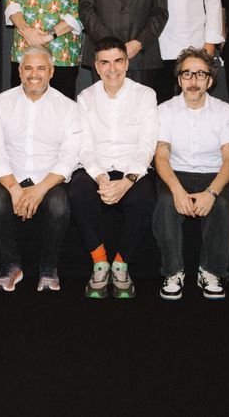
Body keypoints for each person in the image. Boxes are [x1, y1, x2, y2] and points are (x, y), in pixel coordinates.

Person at [0, 45, 80, 293]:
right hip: (11, 177)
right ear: (19, 71)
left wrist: (39, 190)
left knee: (59, 206)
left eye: (40, 68)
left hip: (48, 179)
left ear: (51, 72)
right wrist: (15, 189)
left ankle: (48, 267)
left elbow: (70, 155)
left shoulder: (68, 107)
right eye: (28, 68)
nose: (33, 74)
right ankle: (11, 264)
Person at [70, 37, 158, 299]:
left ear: (127, 63)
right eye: (104, 63)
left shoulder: (145, 95)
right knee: (78, 190)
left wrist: (128, 181)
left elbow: (147, 145)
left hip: (133, 169)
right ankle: (100, 263)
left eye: (118, 61)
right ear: (96, 67)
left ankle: (121, 264)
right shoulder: (85, 97)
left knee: (144, 197)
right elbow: (84, 146)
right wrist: (100, 178)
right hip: (98, 169)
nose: (112, 69)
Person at [152, 47, 229, 300]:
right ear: (179, 79)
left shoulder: (225, 111)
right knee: (167, 203)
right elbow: (161, 156)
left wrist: (212, 193)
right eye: (187, 74)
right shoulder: (164, 110)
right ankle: (173, 272)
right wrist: (177, 190)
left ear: (210, 80)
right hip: (175, 172)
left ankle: (211, 271)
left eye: (200, 75)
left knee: (222, 205)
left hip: (213, 173)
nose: (193, 81)